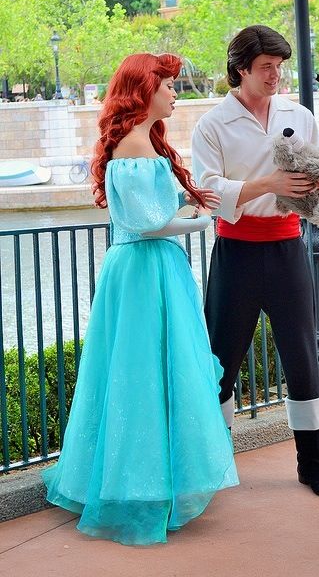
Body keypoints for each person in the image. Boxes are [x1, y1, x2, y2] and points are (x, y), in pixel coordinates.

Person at [42, 52, 239, 546]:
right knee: (144, 375)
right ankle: (142, 488)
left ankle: (151, 483)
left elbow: (149, 211)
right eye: (168, 85)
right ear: (144, 90)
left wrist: (187, 204)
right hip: (145, 270)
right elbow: (144, 223)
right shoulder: (133, 146)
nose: (175, 93)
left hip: (150, 270)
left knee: (145, 373)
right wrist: (198, 221)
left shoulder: (140, 143)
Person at [192, 25, 319, 499]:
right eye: (266, 68)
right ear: (241, 70)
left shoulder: (298, 114)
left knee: (304, 359)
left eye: (279, 67)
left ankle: (312, 465)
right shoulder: (211, 125)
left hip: (287, 250)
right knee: (219, 363)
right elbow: (207, 193)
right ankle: (213, 464)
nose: (276, 76)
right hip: (235, 252)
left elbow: (318, 174)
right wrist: (269, 185)